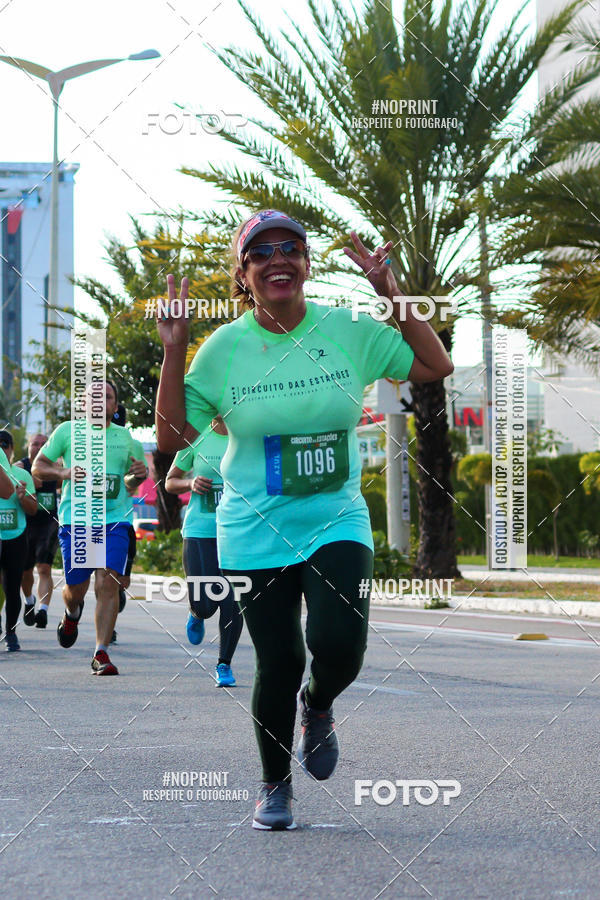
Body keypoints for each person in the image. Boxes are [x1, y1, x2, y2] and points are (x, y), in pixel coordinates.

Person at [155, 210, 453, 830]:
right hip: (253, 527)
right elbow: (173, 436)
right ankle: (274, 785)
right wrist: (175, 349)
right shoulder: (222, 350)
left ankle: (318, 705)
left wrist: (390, 293)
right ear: (243, 274)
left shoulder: (347, 330)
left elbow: (435, 365)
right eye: (261, 252)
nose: (278, 259)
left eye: (290, 247)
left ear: (307, 263)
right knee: (279, 661)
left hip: (336, 518)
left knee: (341, 644)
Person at [32, 380, 147, 675]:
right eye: (93, 396)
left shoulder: (126, 438)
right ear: (83, 404)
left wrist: (139, 474)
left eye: (106, 397)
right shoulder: (67, 432)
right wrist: (64, 472)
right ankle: (72, 613)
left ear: (115, 405)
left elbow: (131, 484)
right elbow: (38, 467)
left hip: (115, 520)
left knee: (108, 582)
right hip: (78, 519)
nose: (99, 401)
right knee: (76, 589)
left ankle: (101, 652)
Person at [165, 415, 243, 687]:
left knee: (233, 600)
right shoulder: (194, 437)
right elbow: (170, 481)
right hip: (200, 531)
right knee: (206, 604)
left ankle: (224, 664)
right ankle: (197, 613)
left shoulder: (246, 434)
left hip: (237, 533)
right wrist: (190, 484)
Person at [17, 433, 61, 629]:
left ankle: (43, 610)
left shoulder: (56, 468)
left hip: (49, 524)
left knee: (44, 568)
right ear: (28, 446)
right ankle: (29, 601)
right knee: (25, 571)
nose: (39, 446)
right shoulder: (20, 467)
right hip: (26, 524)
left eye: (44, 444)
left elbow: (68, 484)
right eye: (35, 443)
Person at [0, 431, 37, 651]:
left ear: (12, 450)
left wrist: (23, 499)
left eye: (5, 445)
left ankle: (11, 633)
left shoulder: (22, 475)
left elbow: (33, 510)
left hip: (16, 536)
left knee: (12, 587)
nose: (2, 450)